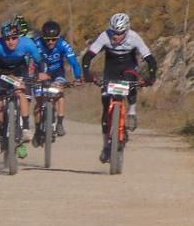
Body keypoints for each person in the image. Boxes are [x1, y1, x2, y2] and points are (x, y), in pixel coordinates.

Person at [81, 12, 157, 163]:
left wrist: (151, 77)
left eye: (120, 33)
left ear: (127, 30)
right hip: (111, 70)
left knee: (131, 80)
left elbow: (150, 59)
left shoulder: (134, 37)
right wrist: (87, 74)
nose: (116, 37)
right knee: (105, 105)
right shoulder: (104, 36)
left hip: (129, 67)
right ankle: (105, 146)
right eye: (114, 33)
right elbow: (88, 56)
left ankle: (132, 111)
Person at [0, 21, 46, 153]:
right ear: (3, 39)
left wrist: (41, 72)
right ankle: (1, 132)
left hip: (20, 69)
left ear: (19, 36)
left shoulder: (27, 44)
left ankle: (25, 126)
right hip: (2, 70)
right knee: (0, 103)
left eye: (14, 38)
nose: (11, 42)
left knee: (20, 92)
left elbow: (39, 59)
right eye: (7, 39)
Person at [33, 20, 82, 140]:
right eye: (47, 39)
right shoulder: (36, 43)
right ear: (42, 38)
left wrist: (78, 77)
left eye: (53, 39)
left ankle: (60, 122)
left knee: (59, 92)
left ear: (58, 38)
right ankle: (38, 128)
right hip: (40, 72)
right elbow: (28, 61)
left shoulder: (63, 44)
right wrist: (32, 76)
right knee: (39, 102)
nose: (50, 42)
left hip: (57, 72)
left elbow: (74, 63)